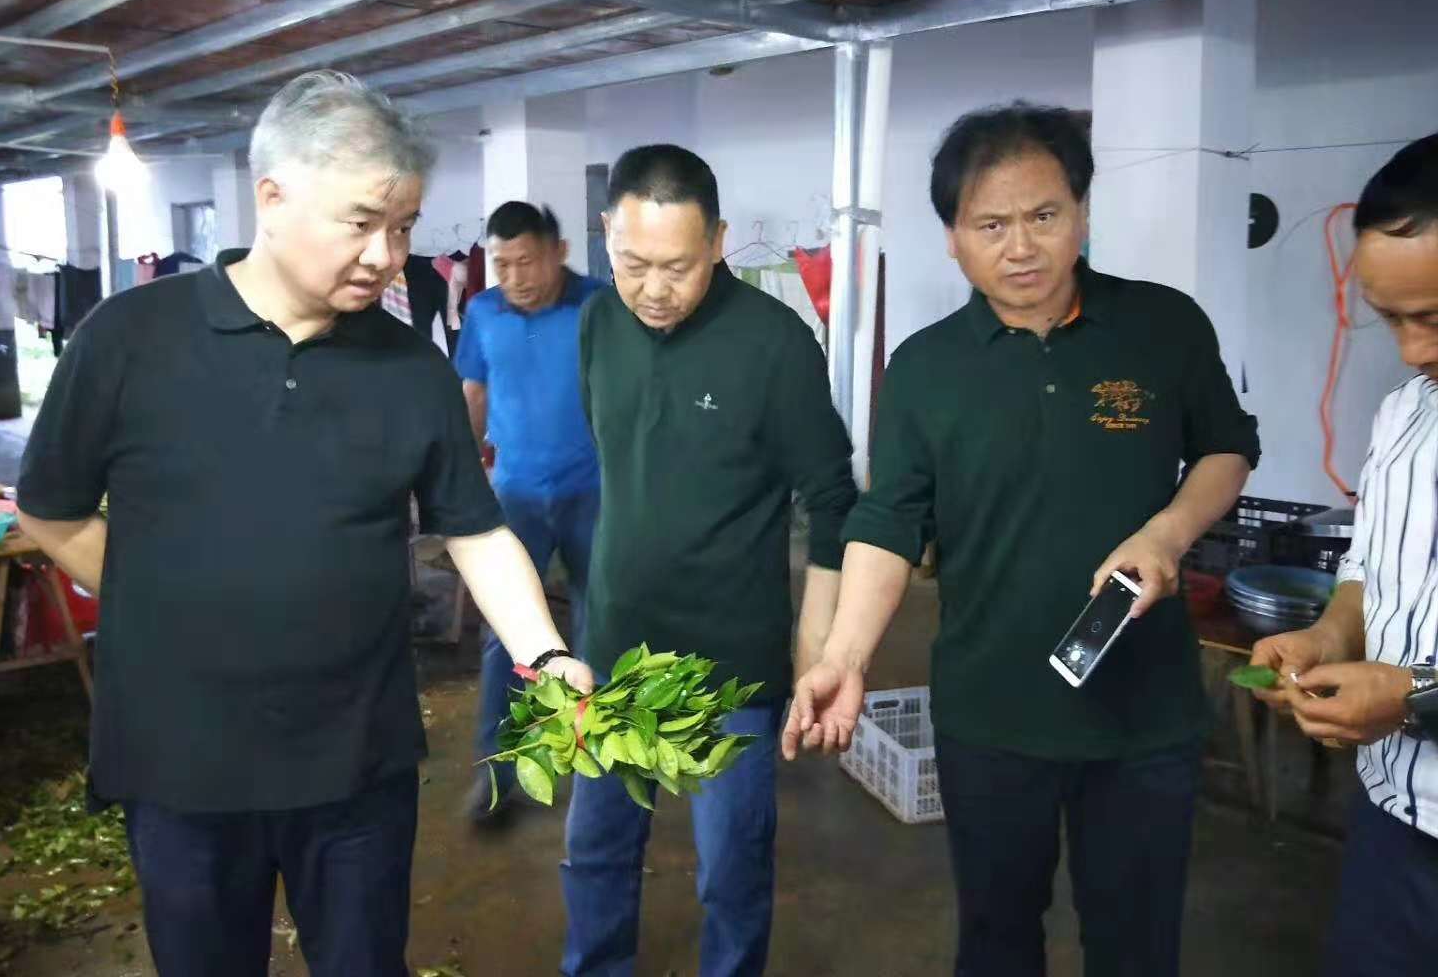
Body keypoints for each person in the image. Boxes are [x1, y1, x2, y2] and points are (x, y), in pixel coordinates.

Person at [15, 71, 593, 977]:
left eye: (401, 227)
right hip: (182, 763)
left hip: (356, 763)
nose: (386, 254)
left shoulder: (409, 369)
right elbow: (48, 508)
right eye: (360, 222)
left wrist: (546, 654)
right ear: (272, 197)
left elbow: (475, 529)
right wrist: (157, 596)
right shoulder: (129, 339)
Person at [785, 102, 1260, 977]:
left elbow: (1228, 447)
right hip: (991, 714)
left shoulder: (1163, 325)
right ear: (953, 238)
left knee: (1138, 943)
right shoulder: (926, 368)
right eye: (990, 224)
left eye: (1044, 216)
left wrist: (1166, 531)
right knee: (998, 940)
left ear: (1082, 213)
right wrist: (845, 654)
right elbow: (890, 520)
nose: (1021, 247)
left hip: (1145, 713)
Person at [562, 144, 857, 976]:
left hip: (732, 663)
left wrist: (819, 645)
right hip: (615, 648)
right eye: (632, 264)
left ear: (719, 241)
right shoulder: (596, 321)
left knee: (729, 873)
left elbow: (833, 499)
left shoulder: (774, 343)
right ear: (606, 239)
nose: (654, 290)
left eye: (679, 267)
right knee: (594, 854)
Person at [1246, 133, 1438, 977]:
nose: (1412, 350)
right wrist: (1331, 637)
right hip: (1393, 825)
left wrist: (1418, 696)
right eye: (1391, 317)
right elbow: (1372, 564)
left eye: (1434, 317)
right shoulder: (1405, 416)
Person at [452, 201, 604, 820]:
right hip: (516, 494)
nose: (514, 276)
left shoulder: (599, 307)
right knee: (508, 635)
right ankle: (500, 772)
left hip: (593, 491)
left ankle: (599, 755)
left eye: (527, 261)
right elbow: (474, 392)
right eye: (502, 264)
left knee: (602, 621)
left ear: (558, 252)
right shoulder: (483, 313)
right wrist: (460, 481)